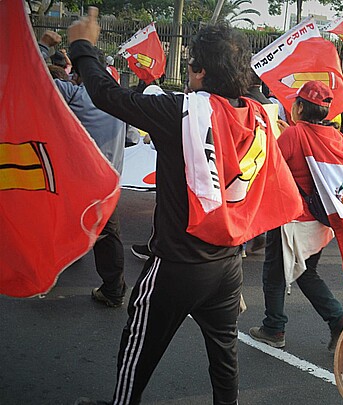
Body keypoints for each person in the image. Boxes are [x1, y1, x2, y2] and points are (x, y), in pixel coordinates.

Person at [68, 12, 287, 404]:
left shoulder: (181, 113)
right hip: (227, 262)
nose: (186, 68)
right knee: (224, 356)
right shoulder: (255, 115)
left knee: (140, 343)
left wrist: (83, 46)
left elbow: (105, 94)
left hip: (177, 263)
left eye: (189, 62)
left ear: (200, 71)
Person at [249, 81, 343, 351]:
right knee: (307, 273)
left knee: (274, 274)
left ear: (299, 107)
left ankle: (274, 328)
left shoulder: (294, 136)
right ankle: (338, 320)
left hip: (292, 220)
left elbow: (271, 168)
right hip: (322, 220)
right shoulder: (337, 137)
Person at [48, 40, 128, 308]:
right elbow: (130, 138)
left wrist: (45, 46)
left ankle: (47, 274)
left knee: (56, 222)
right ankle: (113, 288)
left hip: (81, 182)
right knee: (108, 235)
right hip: (110, 182)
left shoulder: (75, 94)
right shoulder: (119, 98)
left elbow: (35, 78)